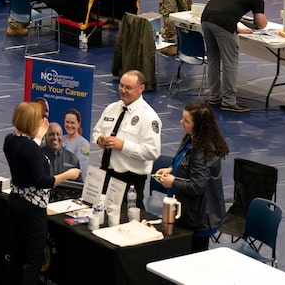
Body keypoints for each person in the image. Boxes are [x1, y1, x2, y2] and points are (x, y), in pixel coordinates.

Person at [3, 101, 81, 285]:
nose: (43, 121)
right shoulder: (31, 148)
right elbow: (42, 181)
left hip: (15, 201)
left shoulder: (10, 139)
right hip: (32, 209)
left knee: (17, 252)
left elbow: (27, 158)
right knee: (34, 259)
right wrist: (68, 174)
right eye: (39, 119)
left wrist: (37, 137)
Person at [156, 102, 229, 253]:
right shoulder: (191, 139)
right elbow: (186, 165)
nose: (181, 122)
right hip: (186, 212)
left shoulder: (203, 151)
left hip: (198, 218)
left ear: (199, 126)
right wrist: (172, 169)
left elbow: (198, 185)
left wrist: (173, 181)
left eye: (186, 121)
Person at [92, 70, 161, 210]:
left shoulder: (149, 117)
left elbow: (152, 152)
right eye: (121, 86)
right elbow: (97, 131)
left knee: (128, 223)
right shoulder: (112, 108)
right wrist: (99, 139)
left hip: (130, 180)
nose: (123, 90)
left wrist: (123, 145)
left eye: (128, 88)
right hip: (105, 174)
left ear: (141, 88)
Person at [200, 0, 268, 113]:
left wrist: (236, 27)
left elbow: (222, 7)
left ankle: (214, 96)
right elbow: (261, 24)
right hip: (223, 24)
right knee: (230, 62)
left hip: (206, 19)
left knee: (213, 59)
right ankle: (229, 101)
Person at [62, 108, 90, 180]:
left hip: (73, 184)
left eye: (72, 123)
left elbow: (84, 169)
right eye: (67, 122)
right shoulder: (60, 139)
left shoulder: (84, 145)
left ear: (79, 123)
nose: (69, 125)